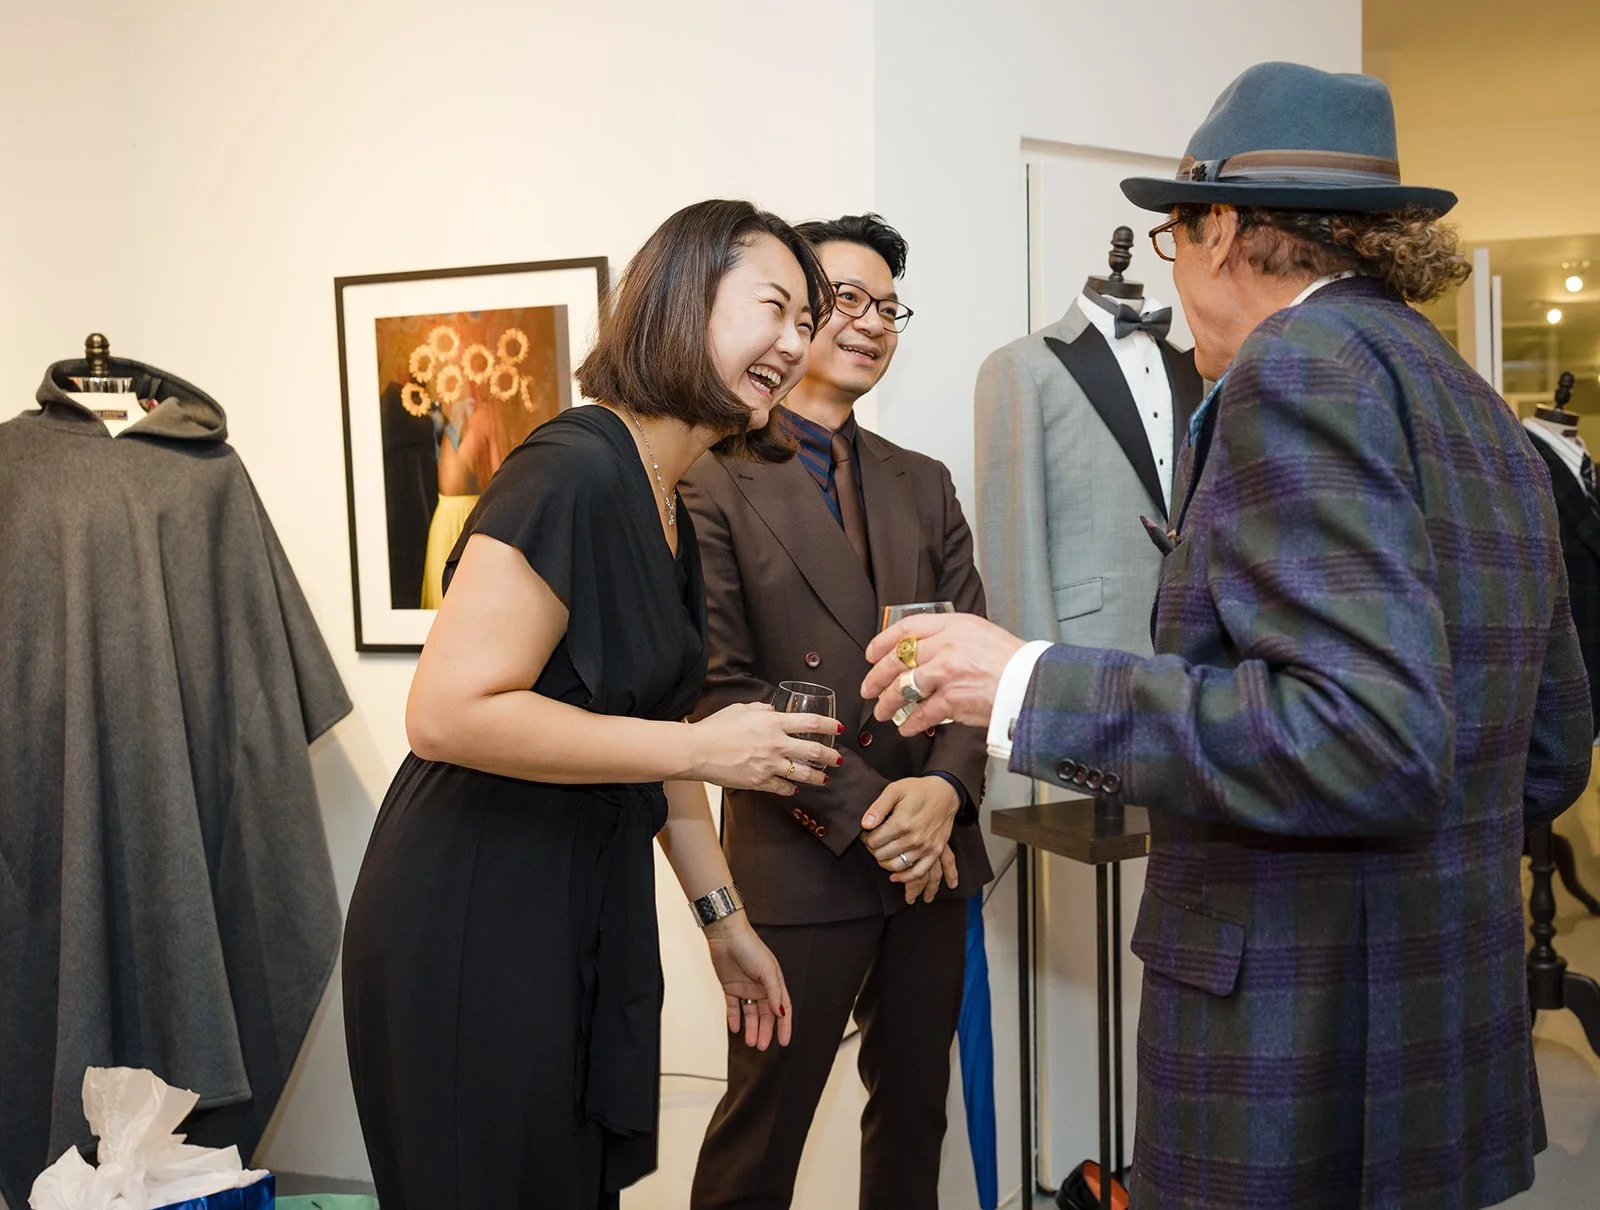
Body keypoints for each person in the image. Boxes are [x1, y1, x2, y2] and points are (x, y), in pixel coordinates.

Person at [861, 63, 1594, 1209]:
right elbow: (1548, 744)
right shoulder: (1472, 404)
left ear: (1220, 231)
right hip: (1433, 1019)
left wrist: (1025, 680)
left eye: (1172, 239)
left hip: (1291, 1047)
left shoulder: (1293, 372)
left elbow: (1361, 739)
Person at [342, 198, 846, 1210]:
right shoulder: (570, 469)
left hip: (574, 907)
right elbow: (446, 711)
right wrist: (705, 747)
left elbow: (655, 741)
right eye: (776, 308)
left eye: (808, 322)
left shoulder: (670, 497)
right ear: (680, 299)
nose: (797, 344)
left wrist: (722, 920)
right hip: (476, 908)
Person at [680, 213, 992, 1210]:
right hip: (800, 851)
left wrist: (942, 789)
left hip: (934, 859)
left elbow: (975, 659)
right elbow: (721, 688)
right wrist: (877, 813)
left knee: (913, 1119)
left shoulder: (922, 481)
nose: (871, 323)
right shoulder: (709, 479)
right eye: (847, 300)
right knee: (760, 1135)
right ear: (799, 314)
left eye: (889, 308)